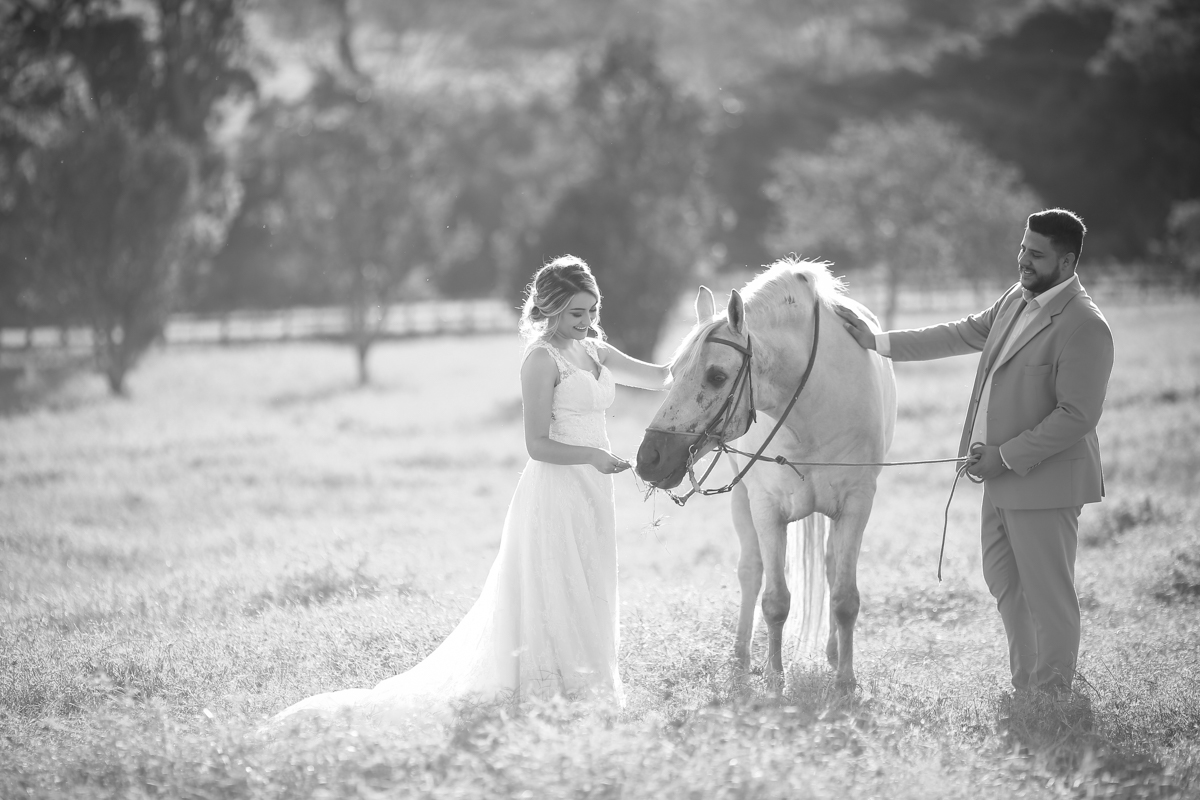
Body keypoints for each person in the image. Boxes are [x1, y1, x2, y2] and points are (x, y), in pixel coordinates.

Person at [271, 255, 670, 728]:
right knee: (556, 587)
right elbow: (537, 444)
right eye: (576, 313)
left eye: (592, 310)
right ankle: (552, 696)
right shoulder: (541, 360)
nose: (587, 321)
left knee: (590, 582)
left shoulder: (597, 351)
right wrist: (592, 456)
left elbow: (660, 376)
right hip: (557, 489)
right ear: (551, 310)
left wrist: (708, 334)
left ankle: (589, 690)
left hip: (594, 492)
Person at [836, 208, 1114, 693]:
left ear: (1067, 262)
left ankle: (1052, 697)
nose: (1023, 260)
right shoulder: (1014, 299)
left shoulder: (1085, 325)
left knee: (1048, 596)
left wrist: (1003, 456)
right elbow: (959, 333)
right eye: (1023, 248)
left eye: (1036, 254)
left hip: (1044, 483)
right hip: (999, 480)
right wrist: (875, 341)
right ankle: (1027, 687)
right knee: (1005, 583)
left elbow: (1077, 416)